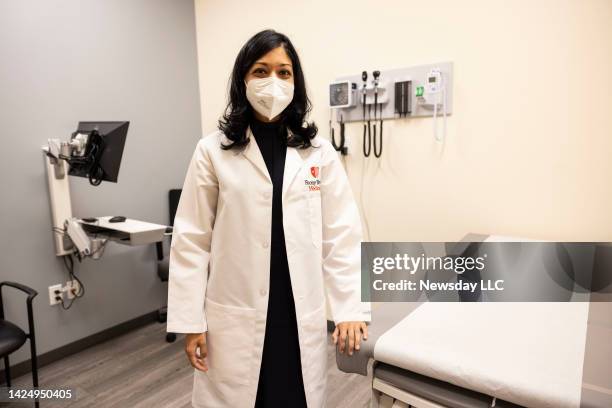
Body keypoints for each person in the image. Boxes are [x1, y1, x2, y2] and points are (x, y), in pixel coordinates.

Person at [167, 29, 370, 408]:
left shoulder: (319, 153)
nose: (273, 82)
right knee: (245, 396)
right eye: (261, 71)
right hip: (236, 311)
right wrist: (191, 321)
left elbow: (341, 234)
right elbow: (192, 239)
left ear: (296, 81)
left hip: (297, 311)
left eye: (284, 72)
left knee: (292, 393)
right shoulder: (212, 151)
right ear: (243, 79)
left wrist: (351, 308)